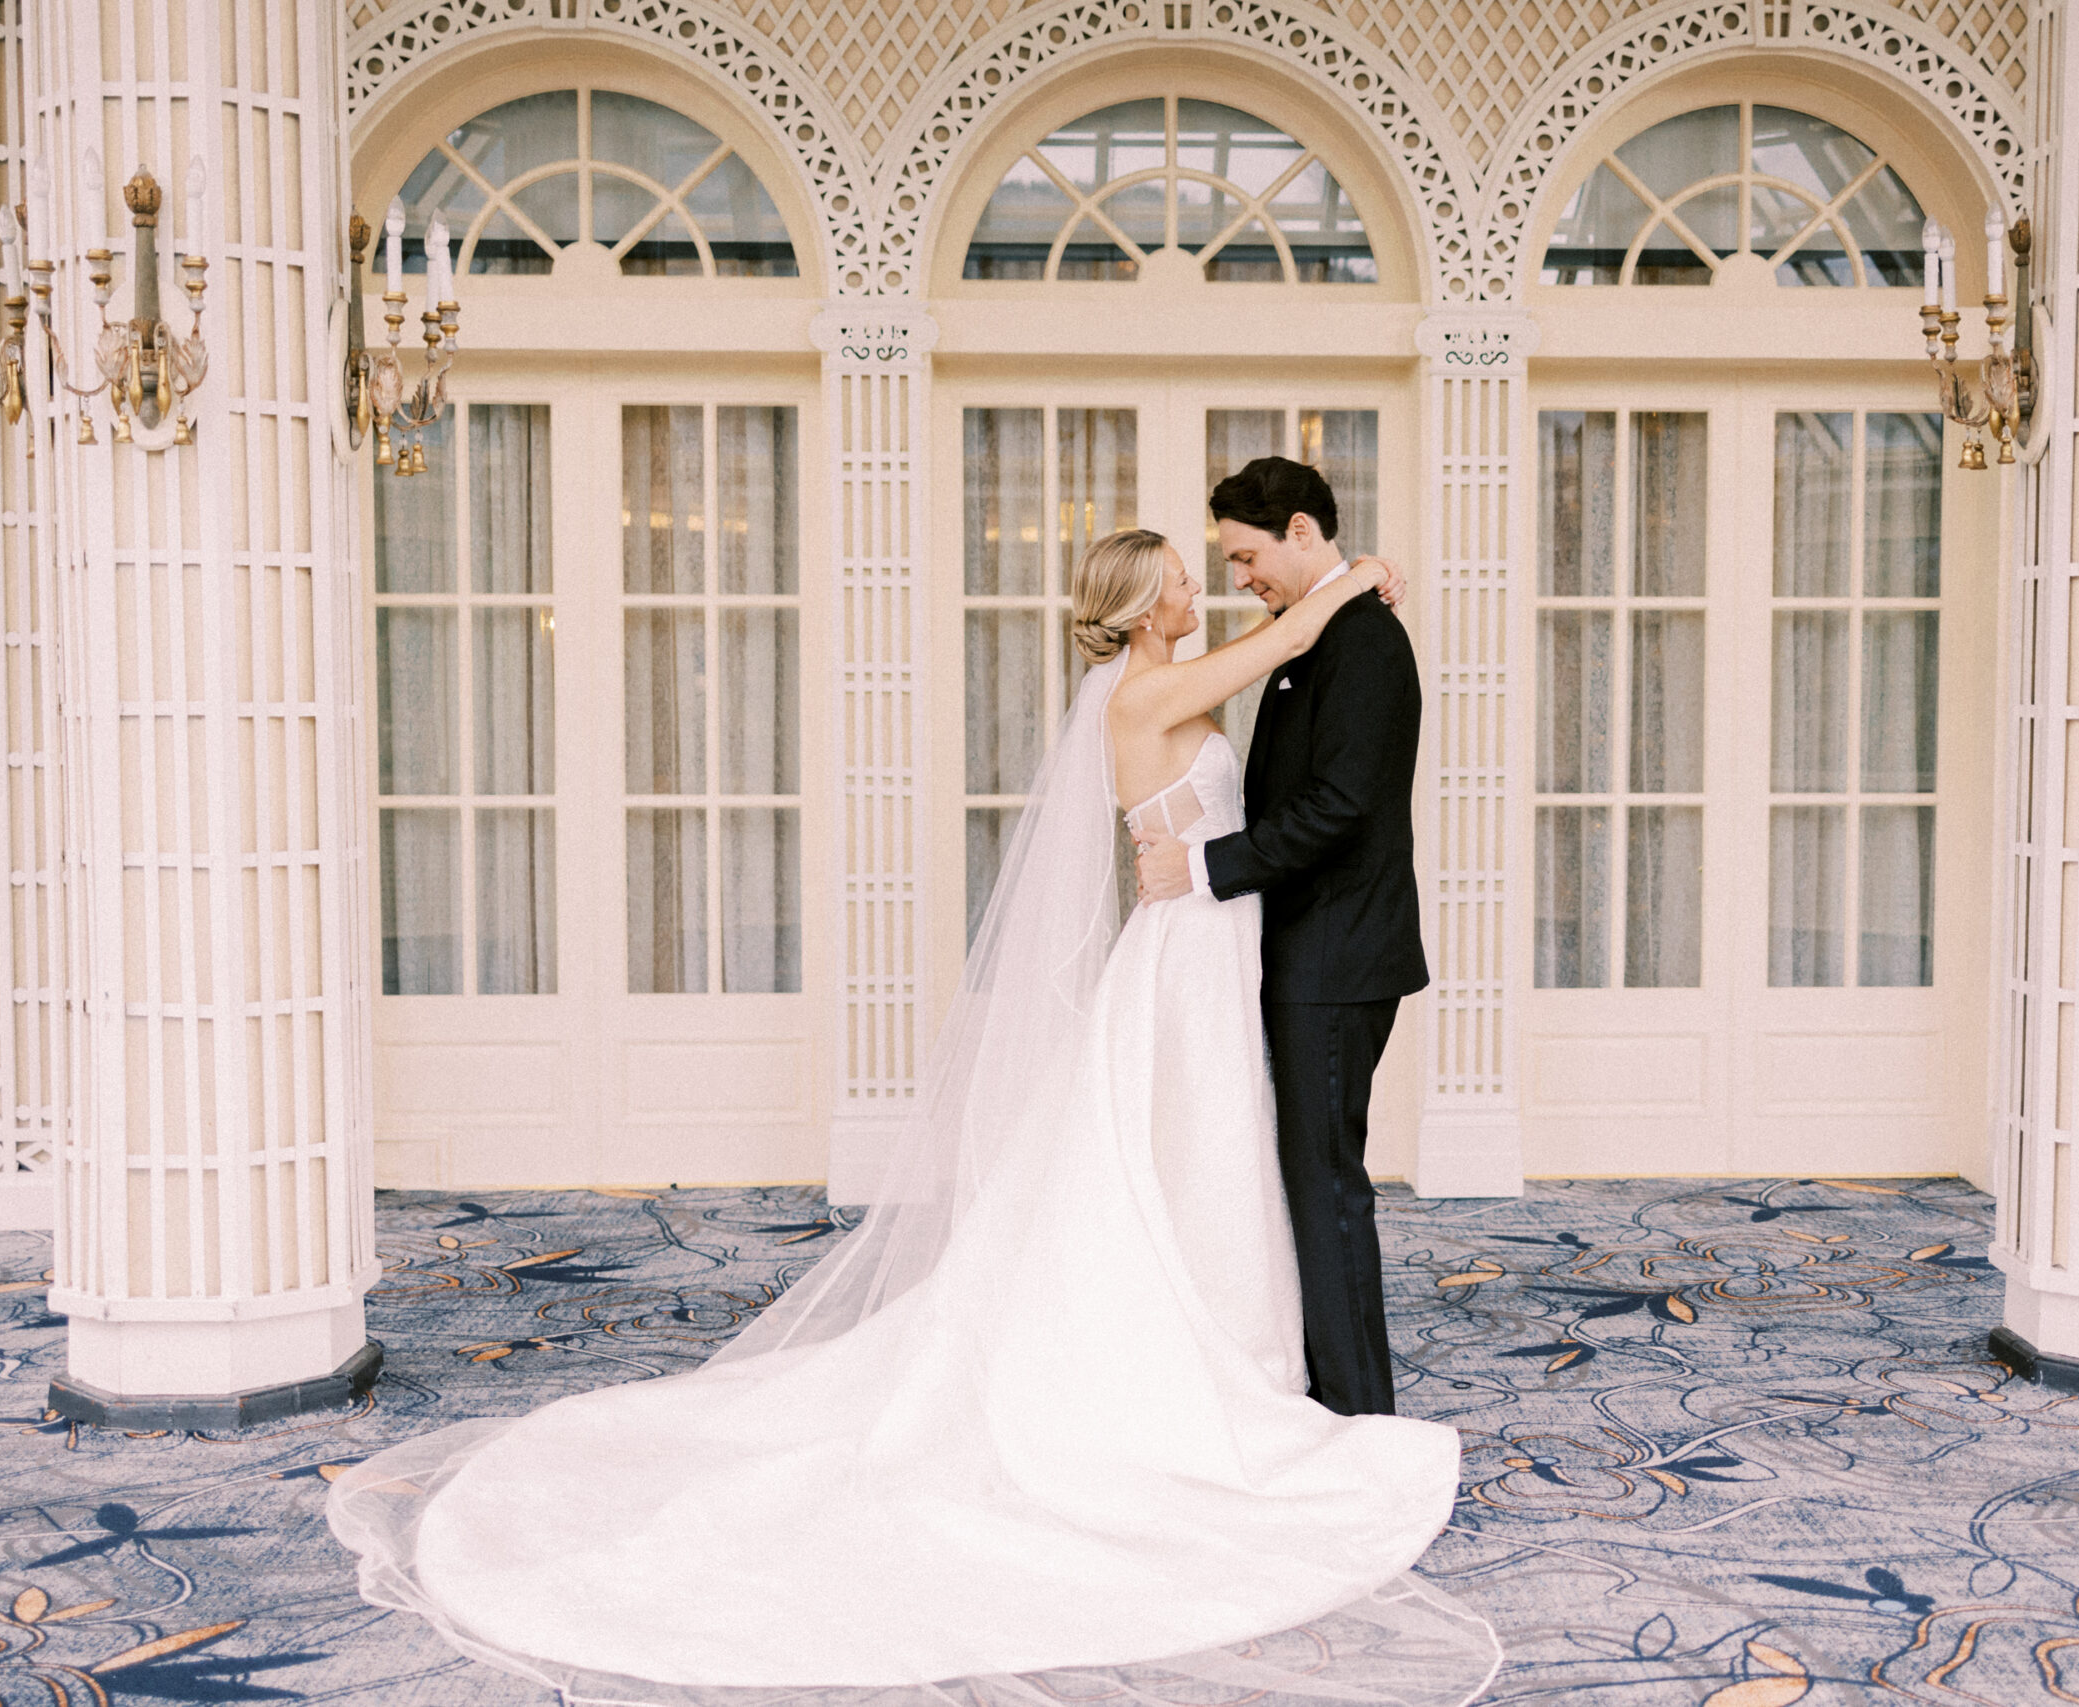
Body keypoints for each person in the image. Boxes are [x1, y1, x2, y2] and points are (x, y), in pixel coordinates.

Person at [327, 527, 1498, 1704]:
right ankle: (1188, 1372)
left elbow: (1276, 642)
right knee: (1181, 1147)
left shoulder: (1155, 677)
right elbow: (1290, 633)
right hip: (1186, 957)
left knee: (1202, 1153)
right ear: (1145, 610)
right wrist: (1358, 578)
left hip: (1207, 950)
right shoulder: (1150, 693)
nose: (1202, 588)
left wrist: (1351, 583)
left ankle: (1234, 1348)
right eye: (1184, 581)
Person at [1135, 456, 1427, 1420]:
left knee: (1326, 1187)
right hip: (1300, 951)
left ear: (1301, 531)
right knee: (1300, 1179)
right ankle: (1327, 1386)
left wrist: (1206, 867)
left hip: (1338, 959)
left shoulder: (1367, 645)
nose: (1238, 576)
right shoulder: (1314, 631)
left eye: (1247, 555)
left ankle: (1361, 1414)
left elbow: (1340, 807)